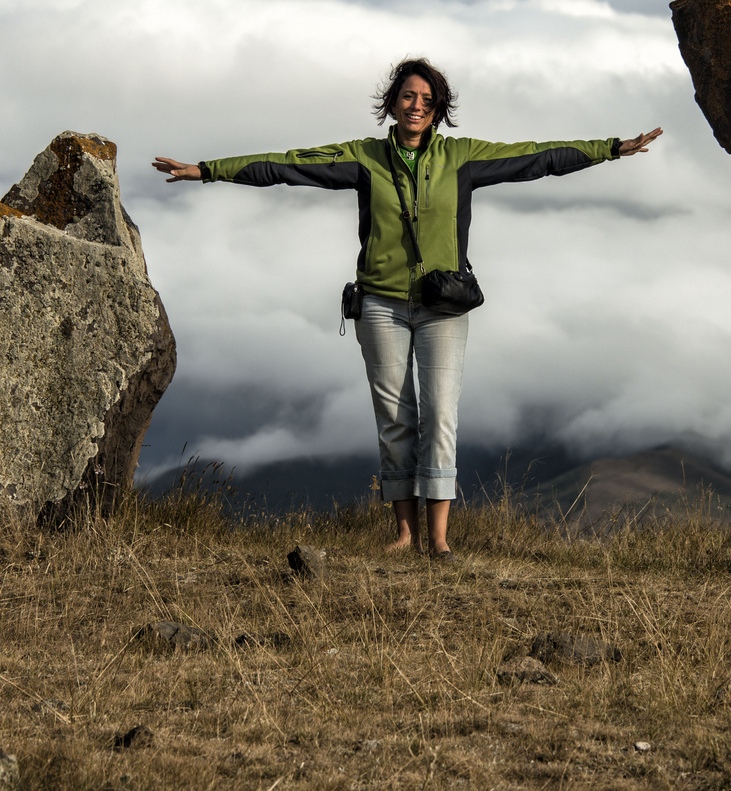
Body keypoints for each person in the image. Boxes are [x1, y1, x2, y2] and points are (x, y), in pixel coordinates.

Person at [153, 58, 661, 558]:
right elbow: (288, 164)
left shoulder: (462, 158)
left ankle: (438, 539)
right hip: (380, 304)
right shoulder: (364, 157)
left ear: (438, 109)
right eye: (407, 97)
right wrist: (207, 171)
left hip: (443, 306)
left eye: (426, 99)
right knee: (395, 417)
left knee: (439, 413)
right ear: (392, 104)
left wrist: (611, 149)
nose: (416, 106)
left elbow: (540, 156)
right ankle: (404, 535)